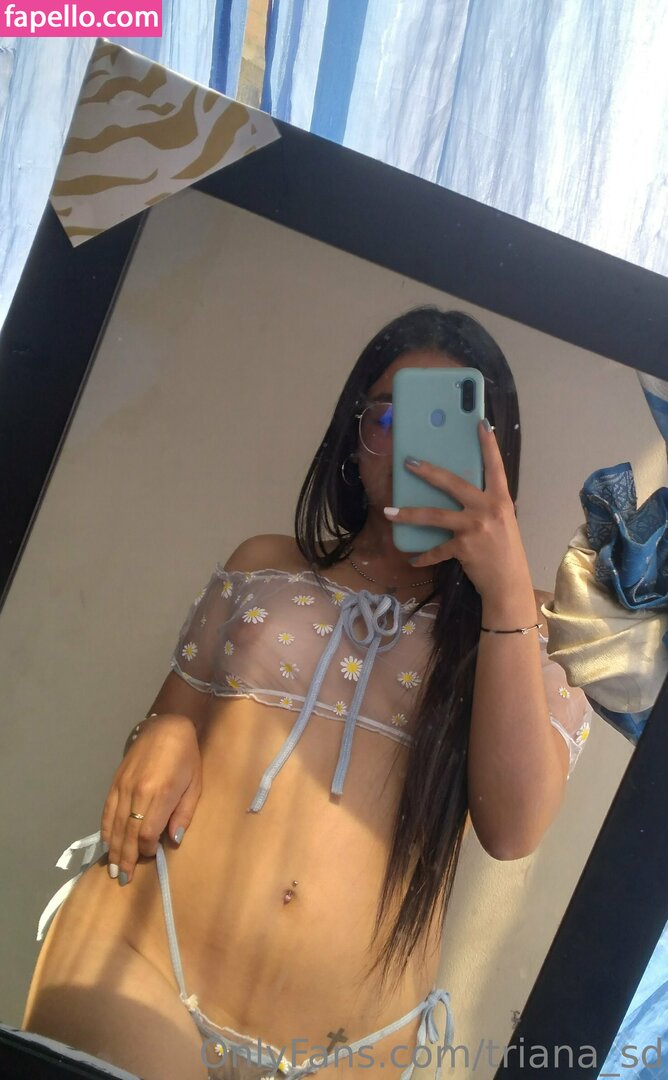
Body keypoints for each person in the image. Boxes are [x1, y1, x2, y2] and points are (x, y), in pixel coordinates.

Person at [22, 308, 591, 1080]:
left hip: (353, 1048)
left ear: (493, 450)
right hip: (143, 956)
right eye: (387, 416)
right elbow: (166, 723)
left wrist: (505, 591)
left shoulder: (533, 630)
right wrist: (165, 732)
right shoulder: (263, 563)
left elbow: (512, 827)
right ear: (353, 440)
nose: (410, 444)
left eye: (443, 423)